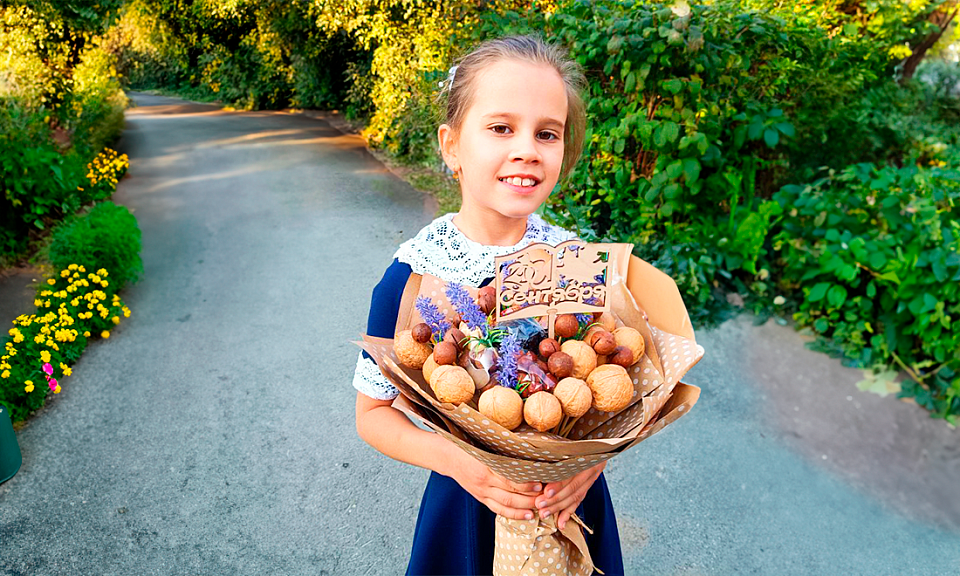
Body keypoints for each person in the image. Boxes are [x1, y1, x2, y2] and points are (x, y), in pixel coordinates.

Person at [352, 35, 624, 575]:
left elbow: (616, 379)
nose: (526, 148)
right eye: (501, 127)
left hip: (568, 500)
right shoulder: (415, 277)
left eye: (547, 133)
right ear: (451, 145)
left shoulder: (570, 259)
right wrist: (464, 465)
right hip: (468, 504)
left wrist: (586, 469)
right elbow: (373, 416)